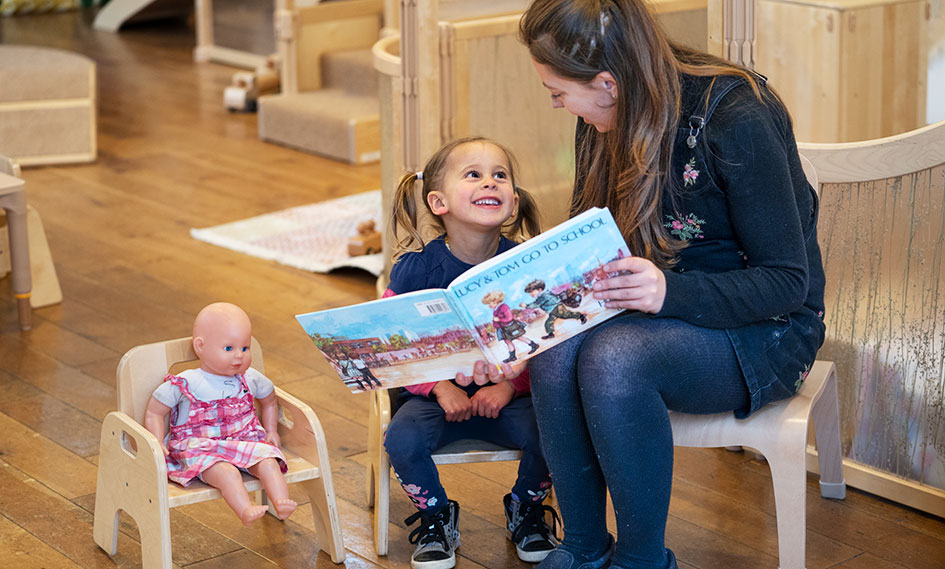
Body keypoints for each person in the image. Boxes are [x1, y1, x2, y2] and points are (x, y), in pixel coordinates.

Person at [518, 2, 827, 569]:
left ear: (608, 83)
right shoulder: (607, 117)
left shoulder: (736, 116)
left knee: (615, 360)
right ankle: (584, 548)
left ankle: (642, 560)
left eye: (558, 93)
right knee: (554, 349)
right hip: (656, 310)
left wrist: (668, 293)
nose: (559, 106)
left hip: (767, 329)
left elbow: (786, 282)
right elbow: (595, 245)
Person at [383, 136, 559, 569]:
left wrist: (507, 386)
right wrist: (438, 387)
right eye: (474, 174)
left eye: (500, 175)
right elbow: (389, 346)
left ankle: (526, 509)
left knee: (557, 432)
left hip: (508, 397)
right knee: (400, 440)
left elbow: (547, 340)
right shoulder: (414, 269)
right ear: (438, 202)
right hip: (433, 399)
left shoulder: (525, 265)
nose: (490, 183)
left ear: (513, 203)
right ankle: (436, 516)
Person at [143, 302, 297, 526]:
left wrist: (271, 429)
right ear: (200, 346)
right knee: (227, 473)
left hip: (243, 440)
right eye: (228, 348)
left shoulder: (250, 377)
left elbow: (270, 399)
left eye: (244, 348)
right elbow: (155, 411)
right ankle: (245, 509)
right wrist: (156, 440)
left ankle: (281, 501)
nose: (239, 356)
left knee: (268, 462)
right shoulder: (187, 382)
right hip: (202, 448)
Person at [481, 289, 541, 363]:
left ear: (495, 301)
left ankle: (533, 345)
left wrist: (498, 319)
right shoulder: (496, 309)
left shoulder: (503, 307)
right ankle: (512, 356)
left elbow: (509, 318)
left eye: (489, 303)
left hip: (510, 326)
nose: (489, 305)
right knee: (508, 341)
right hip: (503, 328)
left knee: (519, 337)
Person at [520, 279, 588, 339]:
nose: (531, 294)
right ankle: (550, 334)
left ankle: (581, 316)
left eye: (532, 292)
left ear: (539, 289)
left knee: (566, 315)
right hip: (552, 310)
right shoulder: (543, 295)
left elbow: (536, 304)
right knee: (549, 322)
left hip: (557, 307)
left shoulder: (544, 296)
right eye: (530, 293)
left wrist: (526, 305)